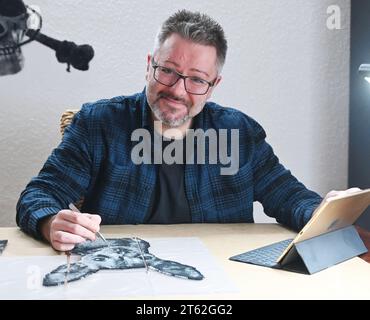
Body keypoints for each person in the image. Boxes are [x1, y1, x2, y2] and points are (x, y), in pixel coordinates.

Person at [16, 10, 370, 261]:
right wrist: (50, 221)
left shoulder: (240, 133)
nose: (177, 90)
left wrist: (322, 212)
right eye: (167, 71)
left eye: (197, 79)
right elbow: (39, 195)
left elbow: (290, 198)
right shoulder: (99, 122)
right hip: (122, 278)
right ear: (149, 64)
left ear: (213, 85)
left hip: (223, 283)